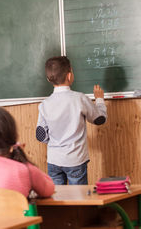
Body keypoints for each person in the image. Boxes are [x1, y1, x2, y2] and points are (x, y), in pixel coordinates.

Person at [35, 56, 108, 185]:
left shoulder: (44, 104)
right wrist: (100, 100)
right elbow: (99, 119)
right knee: (79, 200)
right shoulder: (79, 99)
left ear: (48, 79)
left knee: (57, 200)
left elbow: (41, 135)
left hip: (54, 160)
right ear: (69, 76)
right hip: (75, 159)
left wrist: (56, 142)